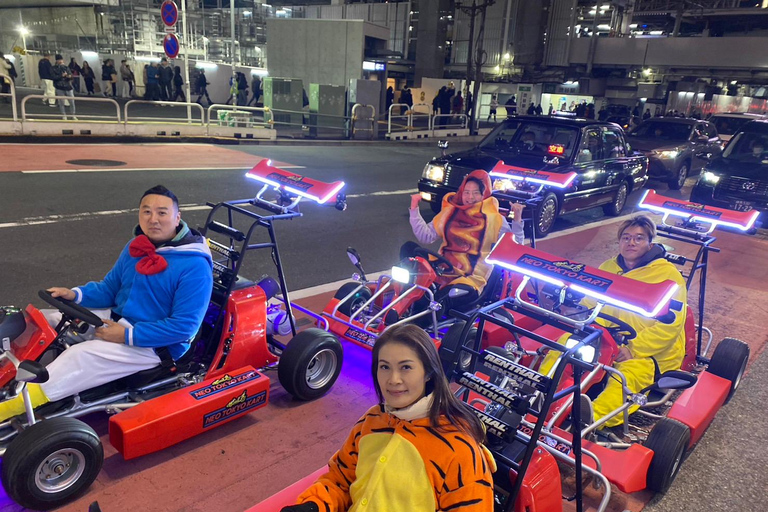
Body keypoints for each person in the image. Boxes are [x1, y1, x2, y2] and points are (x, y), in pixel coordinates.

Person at [0, 186, 214, 423]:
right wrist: (74, 294)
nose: (153, 219)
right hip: (119, 319)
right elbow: (110, 289)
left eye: (162, 213)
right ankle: (8, 372)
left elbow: (184, 327)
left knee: (81, 355)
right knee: (47, 319)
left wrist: (126, 335)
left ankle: (10, 408)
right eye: (146, 212)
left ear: (177, 217)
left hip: (157, 345)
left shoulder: (195, 266)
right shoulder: (137, 247)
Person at [280, 324, 495, 512]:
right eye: (385, 367)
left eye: (406, 367)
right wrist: (315, 505)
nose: (393, 380)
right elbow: (340, 480)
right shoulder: (372, 420)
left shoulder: (459, 450)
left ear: (428, 372)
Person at [540, 215, 687, 429]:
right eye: (626, 238)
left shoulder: (669, 277)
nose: (631, 243)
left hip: (647, 352)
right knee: (563, 345)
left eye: (638, 238)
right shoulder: (608, 267)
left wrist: (634, 350)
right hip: (606, 339)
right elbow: (589, 302)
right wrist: (574, 312)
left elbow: (670, 327)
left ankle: (590, 422)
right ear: (619, 242)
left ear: (650, 243)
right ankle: (540, 391)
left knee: (626, 376)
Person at [406, 171, 524, 314]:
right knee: (409, 251)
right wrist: (414, 208)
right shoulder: (450, 212)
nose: (470, 197)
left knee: (439, 301)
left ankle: (412, 331)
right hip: (441, 269)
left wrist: (517, 220)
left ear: (484, 194)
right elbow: (425, 236)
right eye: (466, 192)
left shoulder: (495, 219)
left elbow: (514, 248)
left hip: (470, 279)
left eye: (475, 193)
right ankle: (396, 315)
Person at [52, 54, 76, 120]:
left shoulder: (66, 67)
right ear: (56, 61)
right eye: (59, 60)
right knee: (61, 102)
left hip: (68, 86)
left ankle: (73, 115)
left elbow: (71, 75)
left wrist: (69, 76)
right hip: (59, 87)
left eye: (61, 60)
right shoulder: (53, 68)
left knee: (72, 102)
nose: (60, 61)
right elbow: (53, 77)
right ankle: (64, 115)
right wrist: (61, 75)